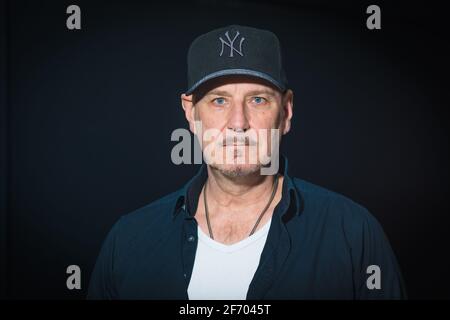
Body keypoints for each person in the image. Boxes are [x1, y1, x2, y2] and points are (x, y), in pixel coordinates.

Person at [87, 25, 406, 300]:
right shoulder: (128, 240)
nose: (238, 123)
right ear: (190, 112)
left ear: (286, 112)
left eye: (257, 99)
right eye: (219, 100)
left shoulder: (353, 232)